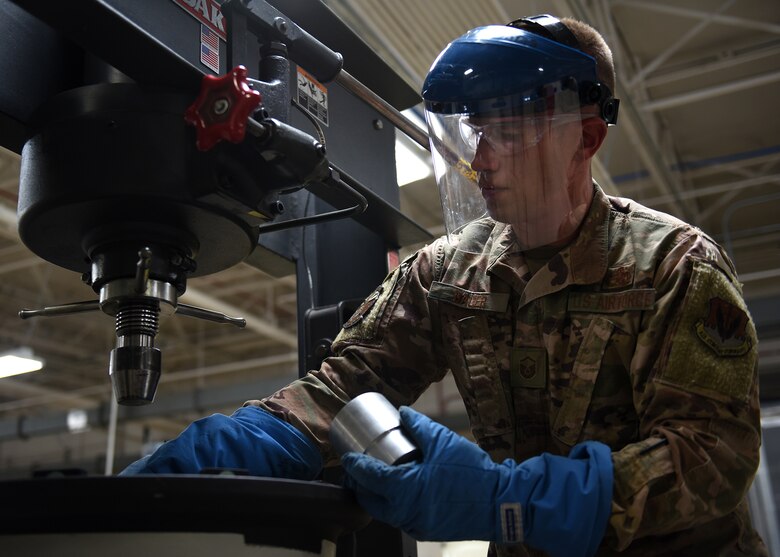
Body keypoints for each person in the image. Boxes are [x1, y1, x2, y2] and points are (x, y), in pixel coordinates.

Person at [121, 14, 768, 557]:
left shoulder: (674, 266)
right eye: (478, 131)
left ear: (587, 137)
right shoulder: (450, 272)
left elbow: (714, 454)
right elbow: (343, 389)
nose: (481, 158)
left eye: (508, 133)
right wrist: (247, 443)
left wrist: (512, 500)